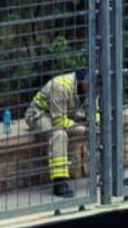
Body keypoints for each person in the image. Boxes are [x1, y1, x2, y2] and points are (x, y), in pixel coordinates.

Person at [27, 68, 89, 198]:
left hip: (65, 111)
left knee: (105, 127)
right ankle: (59, 182)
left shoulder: (92, 86)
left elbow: (95, 110)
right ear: (84, 82)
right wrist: (84, 129)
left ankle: (113, 174)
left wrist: (97, 123)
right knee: (59, 134)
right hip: (40, 113)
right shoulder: (60, 86)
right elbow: (59, 121)